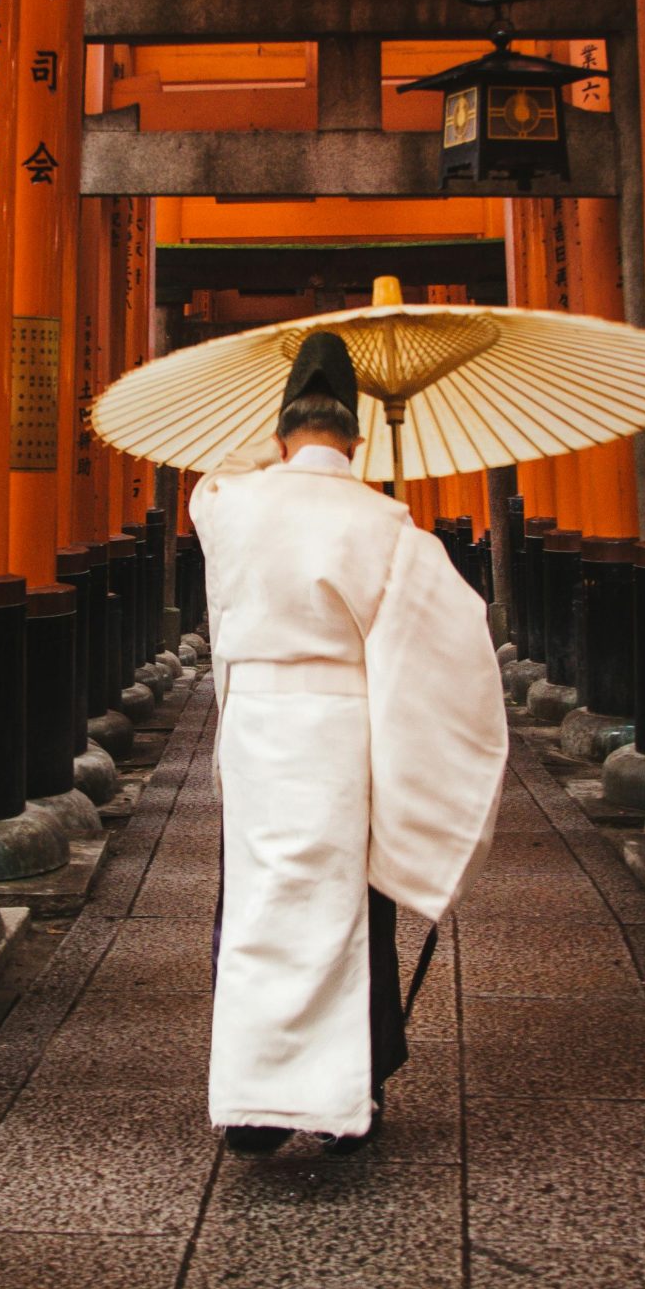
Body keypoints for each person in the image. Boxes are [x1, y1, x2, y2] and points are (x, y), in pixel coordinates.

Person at [189, 330, 507, 1157]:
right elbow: (449, 639)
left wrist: (274, 449)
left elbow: (215, 481)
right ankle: (348, 1095)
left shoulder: (227, 503)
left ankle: (253, 1107)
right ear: (359, 437)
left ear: (280, 430)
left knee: (257, 906)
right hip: (340, 732)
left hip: (258, 733)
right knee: (351, 906)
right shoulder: (388, 524)